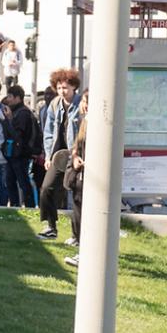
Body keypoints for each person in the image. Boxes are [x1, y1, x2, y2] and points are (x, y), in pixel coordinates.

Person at [37, 68, 83, 240]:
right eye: (59, 88)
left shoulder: (81, 104)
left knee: (77, 195)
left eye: (66, 88)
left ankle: (77, 235)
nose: (62, 91)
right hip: (58, 156)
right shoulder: (55, 104)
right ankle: (50, 227)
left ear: (74, 87)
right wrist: (49, 156)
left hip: (76, 156)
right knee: (46, 189)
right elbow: (48, 132)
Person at [64, 90, 89, 265]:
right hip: (81, 170)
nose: (86, 105)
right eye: (85, 101)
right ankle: (79, 241)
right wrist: (74, 156)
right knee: (78, 205)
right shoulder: (83, 119)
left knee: (87, 210)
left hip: (93, 173)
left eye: (89, 102)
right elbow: (77, 144)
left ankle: (86, 253)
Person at [5, 85, 38, 208]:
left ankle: (29, 205)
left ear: (18, 98)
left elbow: (18, 135)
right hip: (13, 153)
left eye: (10, 97)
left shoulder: (22, 113)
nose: (8, 99)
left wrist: (8, 120)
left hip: (21, 154)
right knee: (10, 181)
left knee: (22, 181)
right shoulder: (16, 111)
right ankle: (14, 205)